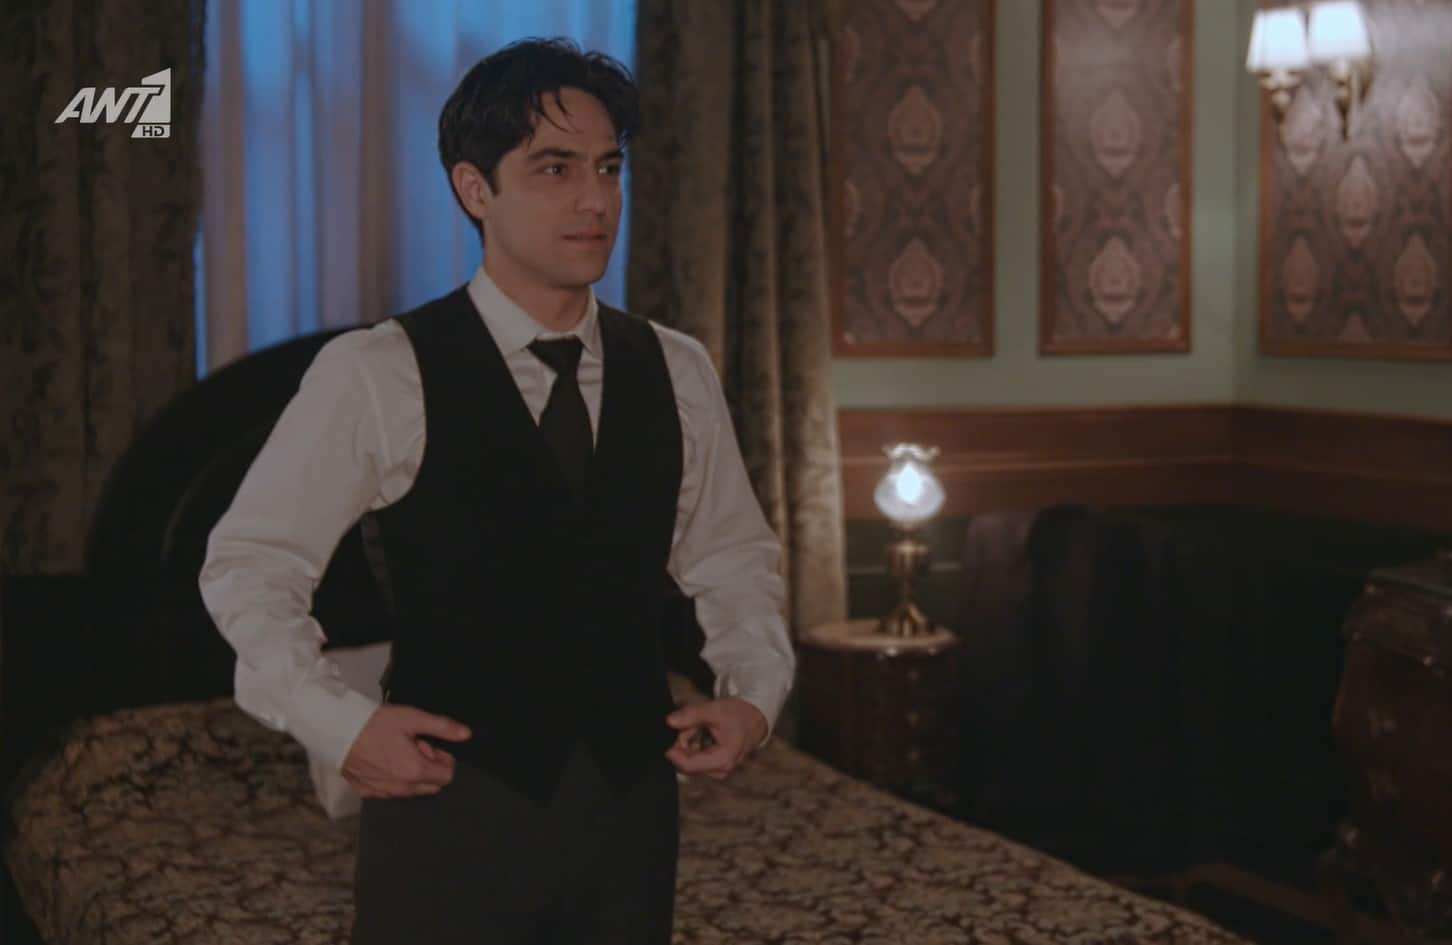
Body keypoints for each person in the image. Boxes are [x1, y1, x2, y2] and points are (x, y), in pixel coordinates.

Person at [198, 37, 795, 945]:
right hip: (447, 817)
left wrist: (753, 692)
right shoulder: (378, 371)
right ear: (475, 189)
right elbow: (248, 565)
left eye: (608, 168)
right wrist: (339, 725)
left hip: (632, 822)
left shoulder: (677, 369)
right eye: (555, 169)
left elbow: (733, 556)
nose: (596, 200)